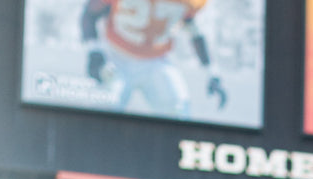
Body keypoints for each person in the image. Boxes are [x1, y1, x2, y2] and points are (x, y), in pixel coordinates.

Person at [80, 0, 227, 120]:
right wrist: (95, 51)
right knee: (105, 111)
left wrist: (212, 73)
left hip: (156, 61)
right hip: (117, 56)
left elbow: (195, 32)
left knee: (179, 111)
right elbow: (90, 13)